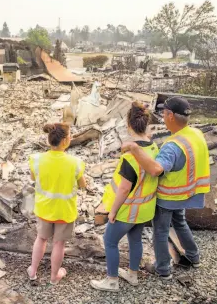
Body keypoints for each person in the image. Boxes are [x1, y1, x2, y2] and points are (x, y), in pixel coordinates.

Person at [121, 96, 210, 279]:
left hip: (169, 195)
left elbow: (155, 169)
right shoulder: (195, 133)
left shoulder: (172, 146)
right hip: (187, 192)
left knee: (160, 231)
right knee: (180, 222)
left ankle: (163, 269)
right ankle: (194, 257)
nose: (161, 116)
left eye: (163, 113)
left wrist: (135, 149)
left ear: (170, 115)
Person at [90, 102, 159, 292]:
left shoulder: (130, 156)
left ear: (128, 126)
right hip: (145, 208)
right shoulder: (154, 148)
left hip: (127, 209)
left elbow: (123, 189)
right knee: (135, 240)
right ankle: (133, 274)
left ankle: (111, 280)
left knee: (110, 241)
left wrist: (112, 211)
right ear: (146, 125)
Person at [27, 123, 86, 284]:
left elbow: (33, 178)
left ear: (49, 140)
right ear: (66, 140)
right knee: (59, 244)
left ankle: (33, 271)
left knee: (41, 238)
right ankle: (54, 276)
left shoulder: (36, 159)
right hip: (64, 211)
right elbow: (82, 184)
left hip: (44, 208)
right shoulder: (75, 163)